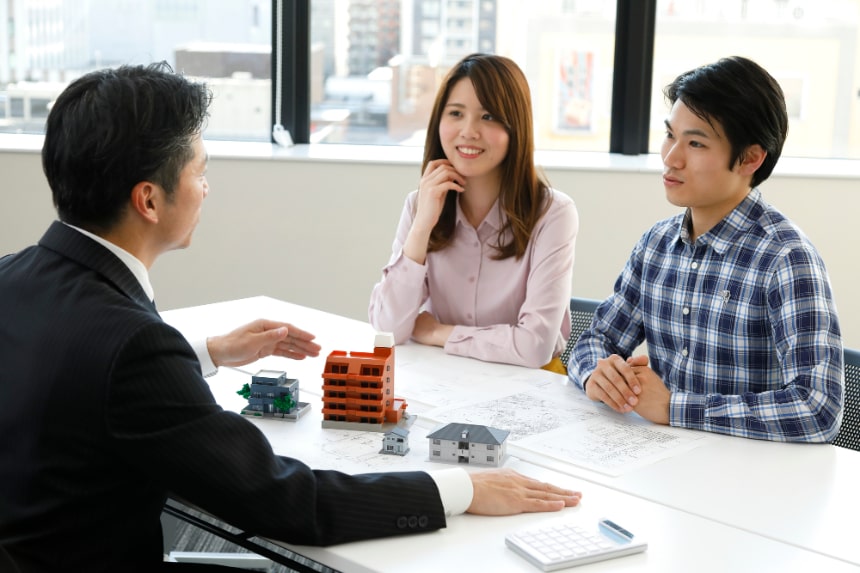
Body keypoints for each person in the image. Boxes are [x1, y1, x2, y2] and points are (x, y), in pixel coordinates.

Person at [0, 63, 582, 573]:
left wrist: (206, 352)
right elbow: (283, 500)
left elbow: (87, 367)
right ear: (149, 201)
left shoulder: (13, 278)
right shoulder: (133, 349)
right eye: (199, 170)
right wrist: (460, 488)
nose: (207, 188)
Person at [567, 56, 843, 443]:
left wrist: (673, 407)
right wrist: (598, 374)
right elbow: (593, 340)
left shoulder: (787, 259)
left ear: (750, 158)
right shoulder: (655, 246)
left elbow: (818, 408)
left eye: (695, 143)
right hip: (662, 462)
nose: (670, 157)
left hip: (747, 480)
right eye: (670, 135)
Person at [368, 53, 579, 369]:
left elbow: (534, 347)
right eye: (455, 113)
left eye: (489, 116)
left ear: (515, 127)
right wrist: (422, 227)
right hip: (445, 380)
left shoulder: (553, 214)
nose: (468, 131)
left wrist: (439, 332)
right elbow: (388, 329)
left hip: (531, 388)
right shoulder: (419, 205)